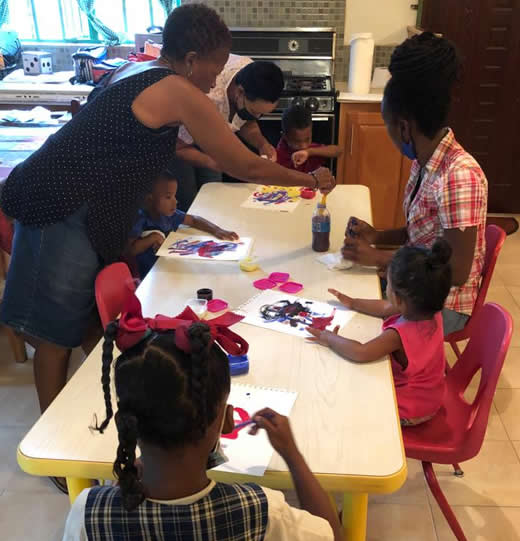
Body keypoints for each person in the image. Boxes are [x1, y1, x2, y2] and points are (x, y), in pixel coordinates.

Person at [0, 3, 335, 490]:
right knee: (53, 335)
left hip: (87, 204)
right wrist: (306, 181)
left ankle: (97, 430)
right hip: (63, 204)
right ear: (192, 57)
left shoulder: (147, 70)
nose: (217, 79)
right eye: (215, 69)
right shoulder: (175, 89)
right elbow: (248, 166)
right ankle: (58, 457)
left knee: (88, 323)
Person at [54, 292, 343, 541]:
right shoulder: (259, 509)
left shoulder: (89, 511)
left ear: (128, 423)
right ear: (225, 419)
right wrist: (292, 456)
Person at [342, 33, 487, 336]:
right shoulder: (424, 162)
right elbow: (421, 233)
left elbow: (456, 271)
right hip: (413, 283)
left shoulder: (458, 176)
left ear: (404, 128)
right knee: (344, 293)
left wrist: (378, 258)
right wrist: (378, 235)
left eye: (388, 127)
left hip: (442, 303)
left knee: (355, 328)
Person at [308, 240, 451, 427]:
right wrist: (354, 303)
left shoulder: (398, 335)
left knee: (340, 400)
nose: (385, 287)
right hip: (431, 394)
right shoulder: (427, 309)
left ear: (399, 298)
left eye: (388, 284)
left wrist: (329, 337)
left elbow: (361, 352)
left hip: (411, 408)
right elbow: (386, 307)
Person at [174, 58, 284, 211]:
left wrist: (262, 144)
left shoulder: (251, 73)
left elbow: (244, 120)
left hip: (211, 139)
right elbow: (177, 146)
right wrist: (212, 162)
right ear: (239, 92)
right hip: (177, 142)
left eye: (261, 114)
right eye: (254, 112)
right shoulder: (207, 97)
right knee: (189, 201)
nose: (257, 117)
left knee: (214, 195)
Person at [128, 169, 238, 278]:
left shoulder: (168, 214)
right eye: (168, 197)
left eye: (174, 196)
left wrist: (216, 230)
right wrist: (153, 238)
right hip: (151, 275)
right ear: (149, 199)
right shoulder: (140, 219)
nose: (175, 201)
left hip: (171, 267)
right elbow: (130, 251)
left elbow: (194, 220)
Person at [276, 105, 342, 173]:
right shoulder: (278, 155)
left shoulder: (310, 149)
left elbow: (338, 151)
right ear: (284, 136)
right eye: (297, 142)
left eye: (307, 139)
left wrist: (309, 152)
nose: (303, 146)